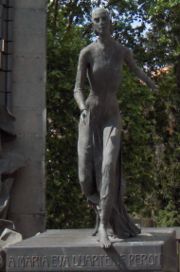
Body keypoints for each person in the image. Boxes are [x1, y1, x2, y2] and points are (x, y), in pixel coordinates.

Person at [74, 7, 156, 248]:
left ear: (111, 22)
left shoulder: (121, 51)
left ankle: (104, 226)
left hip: (111, 116)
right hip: (90, 114)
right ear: (92, 24)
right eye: (95, 20)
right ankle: (100, 206)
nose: (100, 23)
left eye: (104, 19)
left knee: (108, 166)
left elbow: (136, 69)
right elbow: (77, 88)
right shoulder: (87, 52)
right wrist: (81, 108)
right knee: (84, 174)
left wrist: (151, 83)